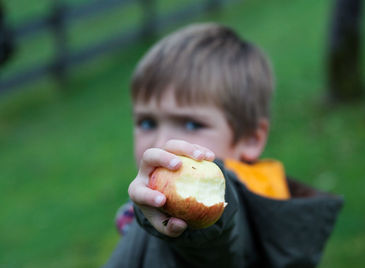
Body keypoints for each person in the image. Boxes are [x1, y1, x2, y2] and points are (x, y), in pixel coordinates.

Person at [104, 23, 343, 268]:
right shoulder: (144, 206)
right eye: (147, 123)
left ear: (250, 138)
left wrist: (199, 224)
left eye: (191, 124)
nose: (162, 142)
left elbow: (219, 241)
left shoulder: (243, 209)